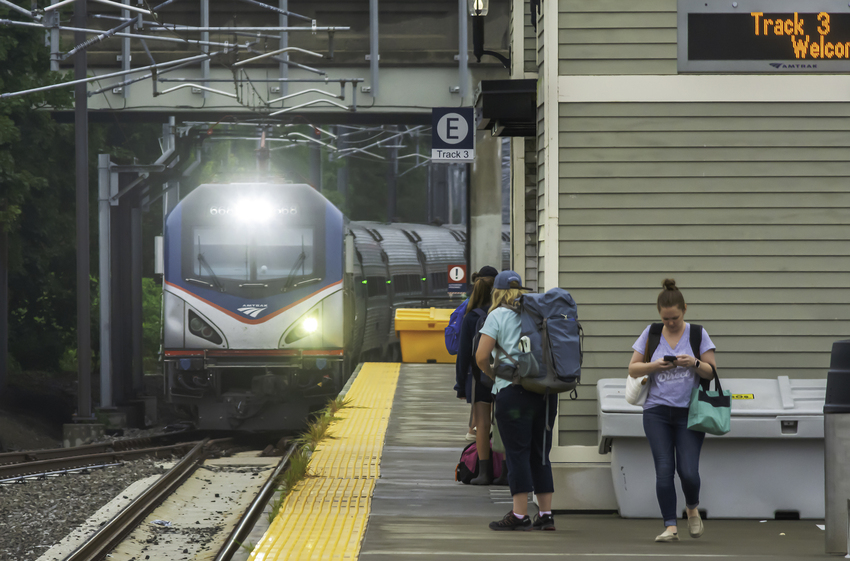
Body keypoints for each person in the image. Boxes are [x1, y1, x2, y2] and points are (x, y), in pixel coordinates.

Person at [627, 279, 717, 542]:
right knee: (664, 469)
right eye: (665, 319)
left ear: (684, 310)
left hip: (690, 412)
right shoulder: (652, 332)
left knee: (688, 471)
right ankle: (670, 526)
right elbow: (633, 368)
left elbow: (711, 370)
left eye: (674, 318)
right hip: (656, 411)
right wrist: (655, 365)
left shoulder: (698, 334)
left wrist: (694, 362)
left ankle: (691, 508)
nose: (670, 323)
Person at [476, 270, 557, 531]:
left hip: (513, 394)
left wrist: (494, 376)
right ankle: (545, 515)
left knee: (517, 453)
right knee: (540, 454)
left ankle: (519, 515)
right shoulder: (538, 314)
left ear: (497, 292)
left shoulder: (497, 315)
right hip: (544, 394)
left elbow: (481, 356)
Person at [455, 265, 499, 484]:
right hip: (504, 375)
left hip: (478, 377)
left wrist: (460, 386)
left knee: (481, 424)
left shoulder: (471, 316)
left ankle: (484, 472)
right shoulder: (503, 314)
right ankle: (507, 470)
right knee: (503, 422)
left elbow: (463, 354)